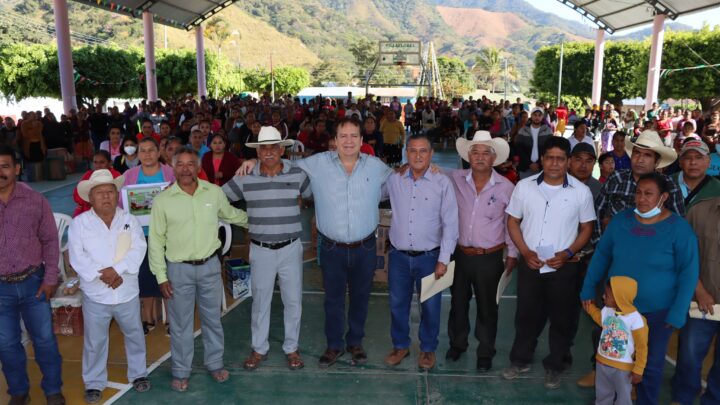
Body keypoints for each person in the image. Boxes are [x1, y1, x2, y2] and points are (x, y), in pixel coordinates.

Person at [236, 117, 393, 368]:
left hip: (365, 246)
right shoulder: (316, 164)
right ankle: (334, 346)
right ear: (335, 141)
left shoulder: (376, 167)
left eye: (354, 136)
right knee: (332, 300)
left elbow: (399, 181)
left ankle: (355, 342)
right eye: (343, 136)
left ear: (362, 141)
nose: (349, 141)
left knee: (361, 298)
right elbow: (280, 162)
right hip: (331, 247)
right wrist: (254, 161)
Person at [581, 172, 699, 405]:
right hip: (617, 310)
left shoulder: (679, 229)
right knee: (614, 359)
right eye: (638, 192)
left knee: (650, 365)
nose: (641, 199)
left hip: (658, 312)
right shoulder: (621, 220)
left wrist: (678, 311)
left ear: (663, 197)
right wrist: (587, 289)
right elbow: (601, 256)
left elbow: (689, 271)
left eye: (649, 194)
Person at [149, 147, 248, 392]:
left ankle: (215, 364)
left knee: (213, 320)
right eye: (180, 164)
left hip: (210, 268)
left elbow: (231, 214)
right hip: (178, 270)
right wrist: (161, 277)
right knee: (180, 324)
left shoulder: (213, 193)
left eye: (190, 163)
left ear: (198, 167)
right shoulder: (162, 200)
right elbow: (155, 241)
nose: (185, 168)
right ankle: (181, 371)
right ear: (173, 167)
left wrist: (258, 219)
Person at [502, 136, 596, 390]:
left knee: (562, 318)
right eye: (549, 157)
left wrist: (567, 253)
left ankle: (555, 365)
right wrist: (524, 251)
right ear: (541, 159)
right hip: (531, 263)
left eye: (560, 158)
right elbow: (512, 221)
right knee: (526, 316)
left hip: (563, 266)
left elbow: (587, 228)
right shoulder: (524, 186)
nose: (554, 163)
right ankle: (519, 360)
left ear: (567, 162)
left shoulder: (580, 191)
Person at [222, 126, 311, 371]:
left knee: (293, 301)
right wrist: (243, 219)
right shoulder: (245, 176)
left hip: (291, 248)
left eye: (274, 147)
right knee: (260, 301)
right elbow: (219, 199)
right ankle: (259, 348)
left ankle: (291, 348)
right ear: (258, 152)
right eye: (264, 148)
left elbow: (312, 195)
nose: (269, 152)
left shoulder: (297, 174)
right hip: (260, 250)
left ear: (282, 149)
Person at [68, 170, 151, 404]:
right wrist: (102, 273)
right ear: (91, 198)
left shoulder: (129, 220)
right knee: (95, 341)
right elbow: (77, 256)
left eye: (110, 192)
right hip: (96, 294)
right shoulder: (79, 224)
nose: (106, 197)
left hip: (126, 291)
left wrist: (117, 270)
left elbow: (139, 248)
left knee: (134, 335)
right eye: (100, 193)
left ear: (117, 195)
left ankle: (138, 374)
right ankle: (93, 382)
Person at [382, 133, 459, 371]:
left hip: (430, 257)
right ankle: (400, 345)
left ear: (431, 154)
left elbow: (451, 223)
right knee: (397, 304)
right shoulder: (394, 179)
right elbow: (374, 195)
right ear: (406, 153)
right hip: (398, 256)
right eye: (412, 150)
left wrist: (443, 259)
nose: (417, 155)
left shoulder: (442, 182)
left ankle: (427, 349)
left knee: (431, 306)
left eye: (423, 151)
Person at [445, 131, 517, 371]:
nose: (479, 157)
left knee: (488, 306)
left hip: (490, 257)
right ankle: (458, 343)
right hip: (461, 254)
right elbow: (429, 173)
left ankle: (485, 350)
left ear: (494, 158)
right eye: (475, 152)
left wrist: (513, 255)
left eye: (486, 152)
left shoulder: (506, 187)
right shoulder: (454, 179)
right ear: (468, 155)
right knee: (457, 302)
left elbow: (511, 223)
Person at [0, 145, 65, 405]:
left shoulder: (35, 200)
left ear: (16, 169)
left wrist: (50, 279)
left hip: (33, 284)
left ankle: (52, 390)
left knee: (45, 341)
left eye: (5, 166)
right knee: (6, 345)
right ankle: (18, 391)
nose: (0, 172)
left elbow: (50, 240)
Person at [120, 137, 175, 334]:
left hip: (168, 234)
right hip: (139, 236)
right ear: (137, 154)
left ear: (158, 152)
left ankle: (170, 320)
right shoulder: (129, 175)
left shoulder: (170, 173)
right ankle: (147, 318)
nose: (147, 154)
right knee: (143, 277)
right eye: (142, 150)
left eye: (151, 150)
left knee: (168, 275)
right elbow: (121, 205)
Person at [671, 195, 720, 405]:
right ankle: (683, 398)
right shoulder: (699, 211)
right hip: (702, 300)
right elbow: (682, 254)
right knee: (690, 355)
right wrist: (698, 289)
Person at [594, 130, 684, 244]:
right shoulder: (616, 178)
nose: (640, 159)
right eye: (637, 153)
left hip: (653, 250)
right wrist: (599, 243)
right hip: (614, 247)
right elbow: (598, 210)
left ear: (657, 162)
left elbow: (678, 223)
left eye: (647, 155)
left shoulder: (669, 186)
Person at [584, 277, 648, 405]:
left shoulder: (636, 320)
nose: (603, 296)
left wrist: (639, 369)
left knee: (624, 397)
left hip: (622, 369)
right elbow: (600, 318)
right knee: (602, 393)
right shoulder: (608, 310)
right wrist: (590, 308)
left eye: (607, 295)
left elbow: (642, 347)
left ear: (620, 298)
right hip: (602, 362)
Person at [672, 139, 720, 211]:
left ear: (709, 161)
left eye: (699, 157)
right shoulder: (666, 183)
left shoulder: (717, 188)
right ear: (680, 162)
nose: (693, 162)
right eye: (688, 158)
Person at [73, 150, 122, 217]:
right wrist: (92, 201)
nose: (98, 165)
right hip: (86, 211)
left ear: (110, 163)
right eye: (95, 162)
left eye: (102, 162)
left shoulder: (115, 175)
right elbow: (77, 195)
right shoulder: (88, 174)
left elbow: (118, 197)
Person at [514, 107, 553, 179]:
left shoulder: (548, 131)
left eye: (539, 115)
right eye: (535, 115)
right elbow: (519, 149)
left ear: (542, 117)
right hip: (525, 167)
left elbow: (550, 149)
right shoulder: (523, 130)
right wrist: (530, 163)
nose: (537, 117)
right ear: (531, 116)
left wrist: (538, 163)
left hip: (542, 167)